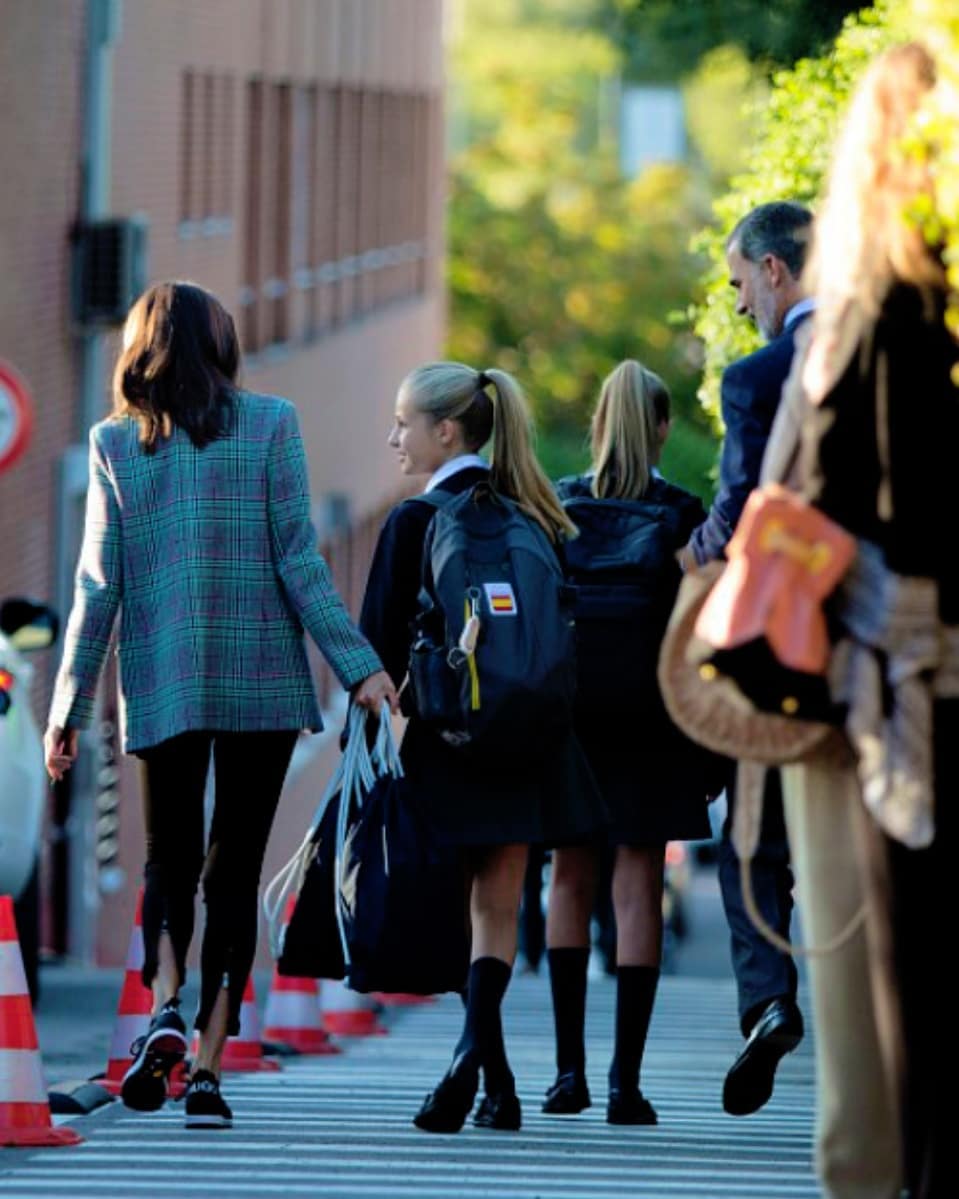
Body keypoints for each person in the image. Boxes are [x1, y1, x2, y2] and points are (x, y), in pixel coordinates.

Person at [44, 282, 395, 1130]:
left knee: (166, 855)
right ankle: (205, 1064)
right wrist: (359, 668)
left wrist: (67, 708)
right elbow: (299, 561)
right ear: (219, 344)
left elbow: (98, 588)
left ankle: (164, 1000)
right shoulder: (271, 424)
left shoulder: (116, 442)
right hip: (262, 679)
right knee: (233, 867)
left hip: (162, 676)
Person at [357, 361, 606, 1134]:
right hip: (528, 741)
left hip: (447, 739)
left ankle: (471, 1058)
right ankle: (493, 1081)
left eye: (403, 423)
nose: (393, 438)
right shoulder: (535, 514)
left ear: (444, 430)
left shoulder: (413, 520)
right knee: (498, 908)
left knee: (462, 914)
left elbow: (375, 643)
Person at [795, 43, 953, 1198]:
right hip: (914, 680)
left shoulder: (857, 314)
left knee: (905, 989)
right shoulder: (902, 314)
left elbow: (816, 502)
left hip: (901, 694)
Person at [544, 360, 713, 1125]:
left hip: (573, 719)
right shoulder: (682, 515)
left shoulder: (560, 506)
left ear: (597, 426)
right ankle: (624, 1083)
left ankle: (567, 1073)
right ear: (662, 427)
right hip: (654, 717)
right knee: (637, 886)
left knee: (569, 879)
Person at [679, 200, 814, 1116]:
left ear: (772, 270)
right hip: (901, 655)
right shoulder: (915, 355)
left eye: (737, 282)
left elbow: (738, 512)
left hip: (781, 651)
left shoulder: (759, 378)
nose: (736, 304)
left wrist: (692, 554)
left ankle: (769, 1000)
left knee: (750, 839)